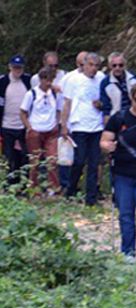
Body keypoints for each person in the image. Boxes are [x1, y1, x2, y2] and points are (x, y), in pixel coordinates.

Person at [100, 81, 136, 264]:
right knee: (126, 213)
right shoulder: (119, 118)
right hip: (122, 172)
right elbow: (104, 140)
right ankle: (128, 251)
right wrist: (108, 146)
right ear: (131, 99)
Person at [61, 52, 106, 205]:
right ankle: (71, 190)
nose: (93, 69)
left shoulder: (101, 79)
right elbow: (66, 103)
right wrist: (64, 125)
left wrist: (100, 105)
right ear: (84, 65)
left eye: (96, 66)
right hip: (79, 124)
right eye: (91, 65)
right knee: (79, 161)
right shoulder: (73, 80)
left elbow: (106, 101)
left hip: (96, 126)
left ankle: (91, 199)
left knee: (94, 163)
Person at [20, 67, 62, 194]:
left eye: (50, 80)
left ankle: (54, 189)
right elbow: (23, 112)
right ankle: (34, 190)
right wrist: (29, 128)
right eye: (46, 80)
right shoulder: (31, 94)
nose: (48, 83)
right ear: (40, 80)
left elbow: (59, 110)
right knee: (35, 162)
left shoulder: (54, 94)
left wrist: (57, 123)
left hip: (51, 131)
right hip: (36, 131)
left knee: (52, 160)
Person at [0, 54, 32, 186]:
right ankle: (10, 185)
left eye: (19, 68)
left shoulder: (28, 81)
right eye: (15, 67)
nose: (17, 70)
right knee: (10, 157)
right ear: (10, 68)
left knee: (24, 157)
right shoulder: (3, 82)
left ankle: (23, 186)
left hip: (23, 126)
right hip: (7, 125)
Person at [58, 51, 88, 191]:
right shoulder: (69, 78)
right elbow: (64, 101)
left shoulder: (97, 77)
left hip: (90, 124)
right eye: (82, 64)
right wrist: (63, 123)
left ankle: (84, 187)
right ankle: (67, 185)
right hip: (72, 123)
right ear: (77, 64)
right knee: (69, 156)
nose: (85, 67)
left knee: (87, 159)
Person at [100, 52, 136, 125]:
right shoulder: (105, 83)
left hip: (134, 115)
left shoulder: (133, 78)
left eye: (120, 65)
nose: (117, 68)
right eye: (114, 65)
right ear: (110, 66)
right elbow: (106, 106)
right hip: (116, 118)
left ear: (124, 65)